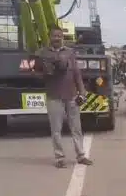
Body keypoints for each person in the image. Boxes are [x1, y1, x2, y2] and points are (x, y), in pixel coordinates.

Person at [35, 25, 93, 168]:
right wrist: (45, 73)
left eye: (59, 36)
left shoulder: (70, 52)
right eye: (54, 36)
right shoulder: (42, 53)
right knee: (56, 129)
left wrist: (82, 92)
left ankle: (81, 156)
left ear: (63, 38)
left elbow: (77, 74)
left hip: (71, 95)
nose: (57, 38)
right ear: (50, 37)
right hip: (54, 96)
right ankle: (60, 158)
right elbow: (35, 73)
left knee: (76, 128)